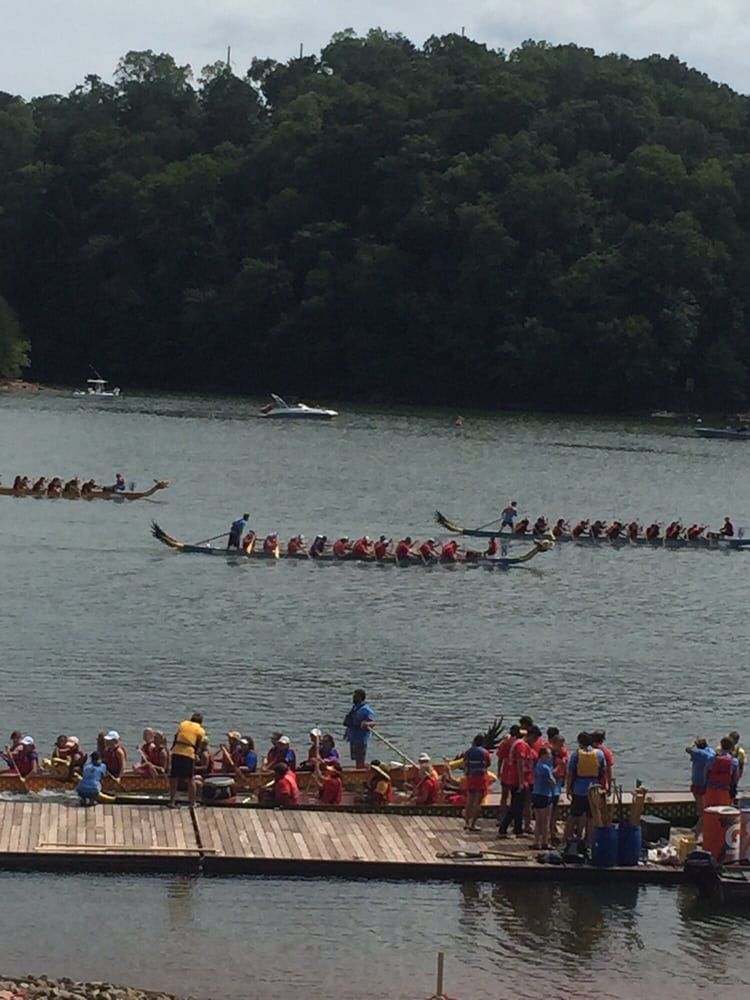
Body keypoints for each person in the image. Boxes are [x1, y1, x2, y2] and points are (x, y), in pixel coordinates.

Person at [565, 732, 605, 847]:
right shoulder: (599, 754)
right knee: (591, 817)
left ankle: (567, 839)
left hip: (579, 789)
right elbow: (603, 770)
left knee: (573, 815)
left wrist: (568, 788)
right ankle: (589, 842)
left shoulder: (576, 755)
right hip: (594, 789)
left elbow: (570, 773)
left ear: (580, 743)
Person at [168, 711, 206, 808]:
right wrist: (196, 754)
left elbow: (176, 737)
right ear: (201, 722)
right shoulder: (200, 730)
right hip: (188, 753)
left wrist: (172, 749)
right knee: (190, 779)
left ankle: (172, 802)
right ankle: (192, 803)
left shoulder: (183, 724)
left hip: (176, 751)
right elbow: (199, 744)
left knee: (174, 778)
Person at [686, 737, 715, 838]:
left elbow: (687, 749)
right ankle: (700, 825)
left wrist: (692, 744)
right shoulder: (710, 751)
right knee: (704, 806)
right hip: (707, 783)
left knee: (701, 810)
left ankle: (699, 830)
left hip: (698, 783)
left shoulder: (698, 753)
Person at [462, 734, 491, 832]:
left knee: (469, 801)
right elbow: (488, 764)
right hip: (480, 778)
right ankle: (473, 824)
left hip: (470, 777)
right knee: (477, 802)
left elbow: (465, 763)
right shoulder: (485, 752)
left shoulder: (468, 752)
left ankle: (466, 822)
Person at [343, 688, 376, 768]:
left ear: (361, 697)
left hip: (361, 738)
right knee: (355, 757)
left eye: (355, 696)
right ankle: (360, 768)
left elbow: (373, 722)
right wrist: (347, 732)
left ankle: (361, 771)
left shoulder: (366, 709)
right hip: (353, 736)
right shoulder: (354, 707)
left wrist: (366, 723)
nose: (353, 698)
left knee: (360, 758)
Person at [532, 747, 555, 849]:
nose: (550, 757)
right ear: (542, 755)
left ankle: (536, 842)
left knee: (538, 821)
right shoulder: (546, 768)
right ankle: (545, 842)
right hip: (545, 794)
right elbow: (552, 782)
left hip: (536, 793)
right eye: (548, 755)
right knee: (545, 821)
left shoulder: (537, 765)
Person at [705, 736, 738, 807]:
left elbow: (705, 773)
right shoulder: (734, 761)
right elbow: (735, 778)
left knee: (710, 811)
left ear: (721, 745)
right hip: (725, 790)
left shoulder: (712, 759)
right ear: (732, 747)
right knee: (723, 812)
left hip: (711, 789)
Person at [729, 731, 746, 802]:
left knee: (732, 792)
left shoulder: (740, 751)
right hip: (725, 776)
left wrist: (738, 776)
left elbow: (741, 766)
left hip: (733, 776)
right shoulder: (721, 748)